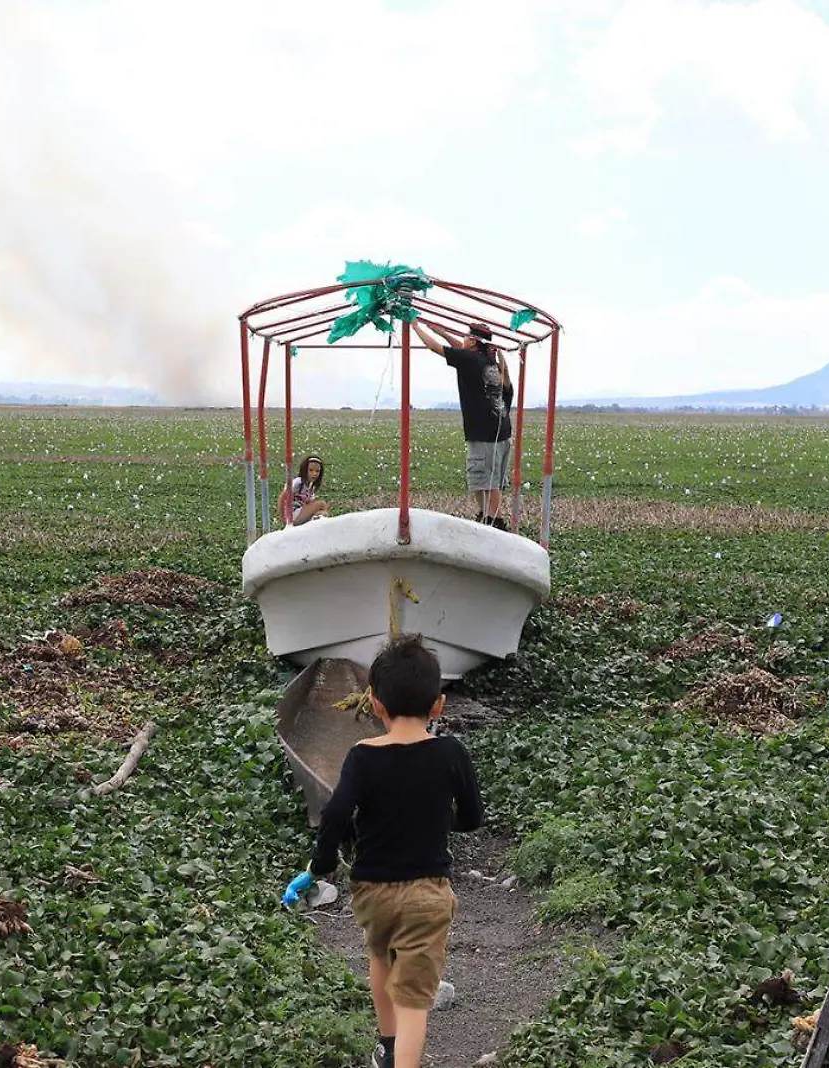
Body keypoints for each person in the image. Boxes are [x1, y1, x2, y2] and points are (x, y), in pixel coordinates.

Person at [311, 634, 486, 1068]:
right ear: (438, 705)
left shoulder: (361, 755)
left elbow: (335, 813)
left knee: (380, 957)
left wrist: (324, 862)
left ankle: (386, 1049)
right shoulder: (450, 752)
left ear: (374, 704)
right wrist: (444, 822)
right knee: (414, 1000)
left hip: (373, 892)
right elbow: (473, 816)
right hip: (427, 894)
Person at [412, 319, 514, 530]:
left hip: (484, 434)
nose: (464, 339)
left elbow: (434, 347)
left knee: (487, 481)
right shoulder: (488, 362)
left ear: (474, 342)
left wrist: (414, 325)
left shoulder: (471, 359)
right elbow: (458, 345)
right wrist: (439, 329)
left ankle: (493, 524)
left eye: (467, 336)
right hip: (500, 431)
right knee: (485, 480)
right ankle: (486, 517)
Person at [277, 454, 329, 527]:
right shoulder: (298, 482)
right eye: (311, 470)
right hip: (291, 514)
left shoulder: (311, 487)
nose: (314, 474)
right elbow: (282, 498)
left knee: (323, 514)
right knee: (321, 504)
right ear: (305, 470)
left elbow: (308, 504)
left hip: (300, 512)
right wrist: (283, 519)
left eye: (317, 471)